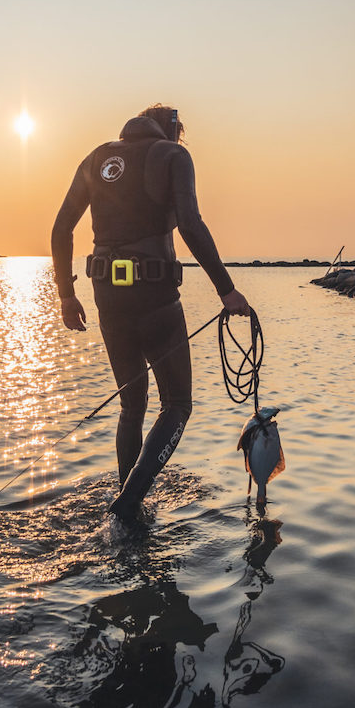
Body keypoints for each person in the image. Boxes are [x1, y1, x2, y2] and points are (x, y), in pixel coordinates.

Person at [51, 104, 250, 522]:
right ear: (172, 130)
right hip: (155, 294)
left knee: (131, 405)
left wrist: (66, 295)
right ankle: (130, 501)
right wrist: (227, 291)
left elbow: (61, 228)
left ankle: (126, 504)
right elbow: (190, 225)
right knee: (176, 403)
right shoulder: (174, 155)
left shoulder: (96, 158)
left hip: (107, 294)